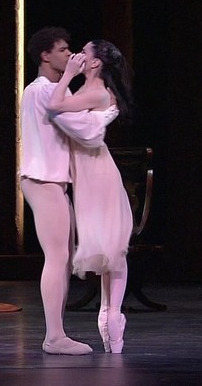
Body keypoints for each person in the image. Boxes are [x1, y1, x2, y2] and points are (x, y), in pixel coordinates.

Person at [46, 39, 136, 354]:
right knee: (106, 250)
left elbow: (55, 105)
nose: (77, 55)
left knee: (113, 248)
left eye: (84, 52)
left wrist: (68, 74)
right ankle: (110, 316)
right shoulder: (88, 91)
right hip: (89, 174)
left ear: (96, 63)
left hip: (99, 175)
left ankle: (113, 315)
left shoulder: (96, 92)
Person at [20, 27, 102, 355]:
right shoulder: (41, 90)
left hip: (54, 181)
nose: (70, 55)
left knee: (64, 259)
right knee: (56, 257)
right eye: (63, 50)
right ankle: (54, 337)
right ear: (45, 55)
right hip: (42, 179)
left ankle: (57, 333)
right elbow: (78, 122)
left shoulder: (55, 90)